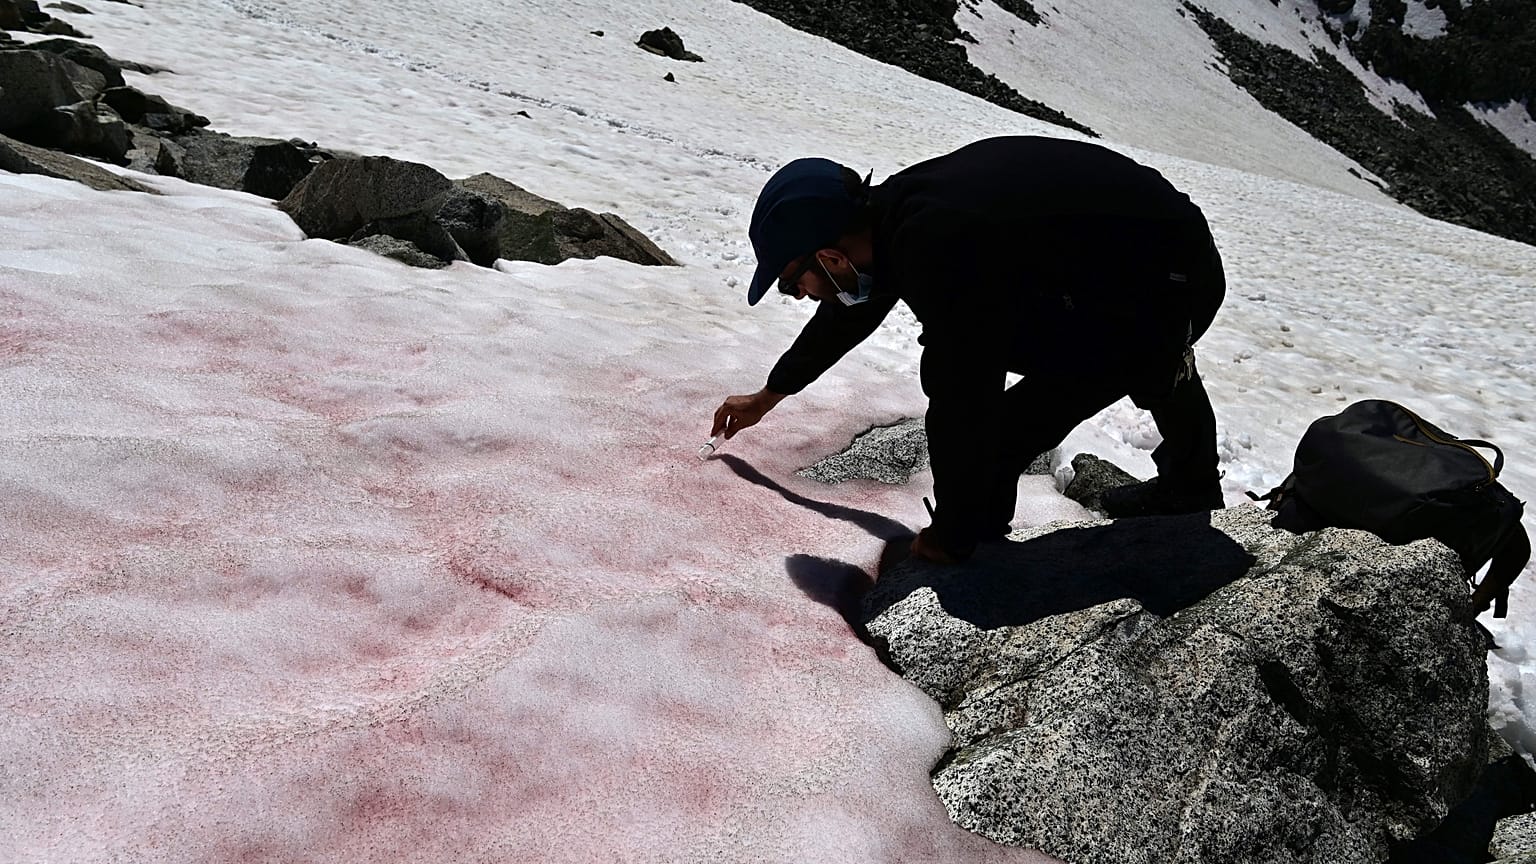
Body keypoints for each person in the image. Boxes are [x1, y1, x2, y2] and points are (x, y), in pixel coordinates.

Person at [711, 136, 1227, 563]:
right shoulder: (893, 217)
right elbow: (850, 314)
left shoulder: (938, 247)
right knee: (1015, 370)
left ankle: (1188, 483)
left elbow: (962, 393)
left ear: (830, 257)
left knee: (1001, 418)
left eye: (790, 282)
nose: (798, 294)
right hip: (1144, 255)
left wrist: (951, 536)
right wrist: (768, 396)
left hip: (1170, 276)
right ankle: (1183, 465)